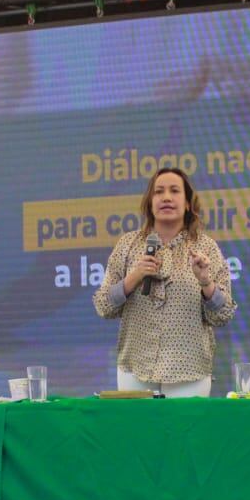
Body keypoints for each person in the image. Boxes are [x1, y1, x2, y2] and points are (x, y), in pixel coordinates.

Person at [93, 167, 236, 397]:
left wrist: (206, 283)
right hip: (136, 368)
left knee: (185, 433)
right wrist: (134, 277)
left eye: (174, 191)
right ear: (150, 202)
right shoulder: (128, 244)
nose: (166, 197)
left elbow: (224, 313)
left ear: (188, 203)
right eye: (159, 192)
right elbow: (103, 306)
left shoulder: (206, 247)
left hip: (189, 369)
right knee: (140, 433)